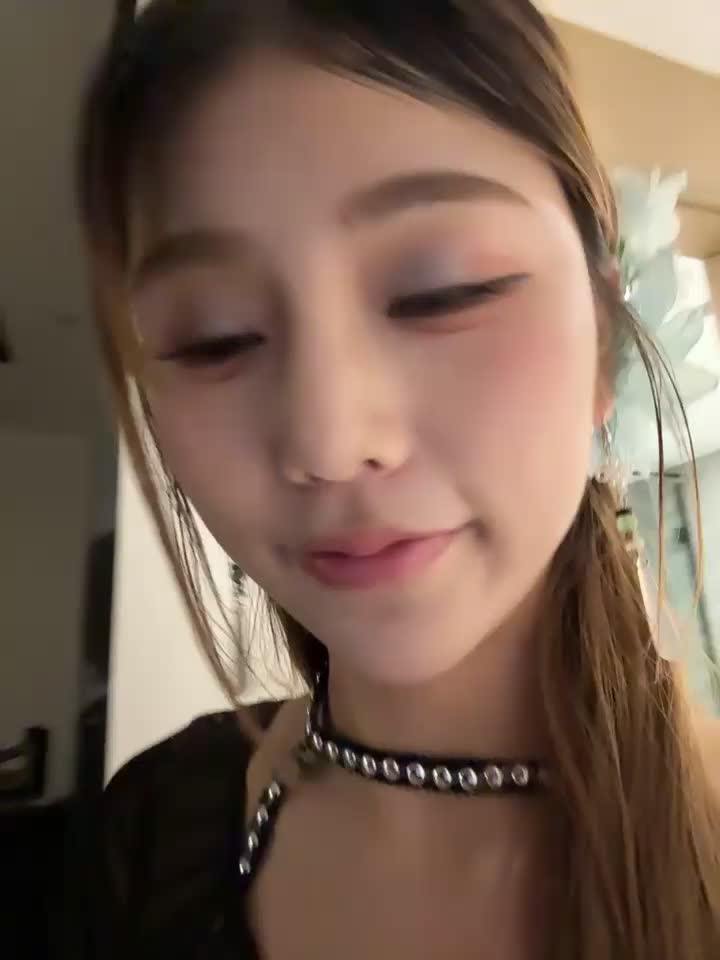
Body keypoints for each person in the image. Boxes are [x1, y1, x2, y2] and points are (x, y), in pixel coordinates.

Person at [76, 1, 720, 957]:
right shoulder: (144, 830)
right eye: (216, 338)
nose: (331, 441)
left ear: (603, 338)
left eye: (441, 292)